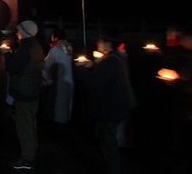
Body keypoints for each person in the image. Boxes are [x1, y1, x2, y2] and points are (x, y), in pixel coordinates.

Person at [74, 28, 131, 174]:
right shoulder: (115, 58)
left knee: (109, 145)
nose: (98, 43)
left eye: (100, 41)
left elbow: (94, 81)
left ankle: (113, 169)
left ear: (108, 43)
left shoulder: (111, 61)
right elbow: (105, 75)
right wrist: (92, 65)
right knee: (108, 142)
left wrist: (80, 69)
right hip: (113, 107)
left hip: (109, 108)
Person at [1, 20, 44, 170]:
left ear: (25, 32)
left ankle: (27, 158)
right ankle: (31, 153)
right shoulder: (36, 46)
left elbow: (13, 67)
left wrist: (7, 55)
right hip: (32, 89)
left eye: (19, 31)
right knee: (30, 124)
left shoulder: (25, 48)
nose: (17, 33)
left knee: (24, 126)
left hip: (24, 91)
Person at [41, 27, 74, 129]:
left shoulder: (55, 49)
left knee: (58, 102)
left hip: (59, 79)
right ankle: (66, 122)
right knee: (67, 101)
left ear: (54, 37)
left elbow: (47, 64)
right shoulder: (68, 47)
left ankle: (57, 126)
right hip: (69, 79)